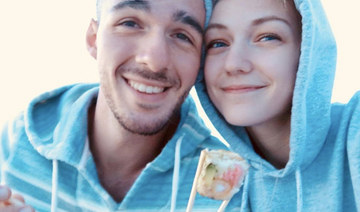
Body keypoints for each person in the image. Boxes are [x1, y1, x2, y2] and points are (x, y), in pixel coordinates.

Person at [0, 0, 228, 211]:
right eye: (130, 23)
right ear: (93, 39)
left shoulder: (226, 188)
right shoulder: (18, 139)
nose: (155, 60)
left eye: (182, 36)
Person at [195, 0, 360, 211]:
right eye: (217, 43)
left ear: (308, 52)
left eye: (267, 37)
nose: (234, 64)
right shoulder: (223, 187)